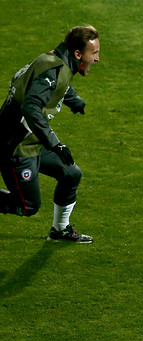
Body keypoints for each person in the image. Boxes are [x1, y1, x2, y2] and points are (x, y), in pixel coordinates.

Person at [0, 25, 100, 243]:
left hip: (32, 140)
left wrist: (75, 101)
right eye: (94, 53)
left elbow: (57, 86)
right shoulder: (54, 70)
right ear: (77, 54)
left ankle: (60, 230)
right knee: (27, 206)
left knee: (71, 174)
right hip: (17, 147)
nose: (97, 59)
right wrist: (56, 144)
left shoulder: (54, 61)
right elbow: (31, 107)